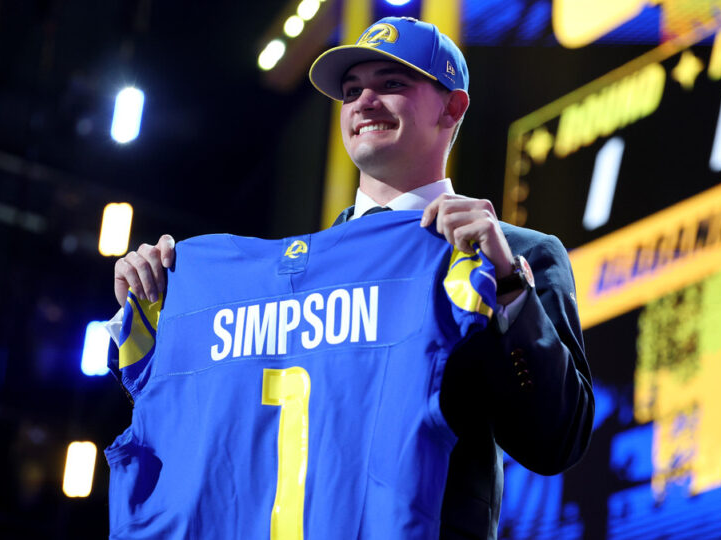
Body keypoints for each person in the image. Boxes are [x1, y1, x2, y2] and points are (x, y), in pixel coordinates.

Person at [109, 17, 593, 539]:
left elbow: (556, 441)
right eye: (352, 90)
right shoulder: (288, 274)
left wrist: (508, 286)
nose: (364, 102)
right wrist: (167, 313)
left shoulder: (516, 256)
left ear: (452, 107)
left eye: (391, 84)